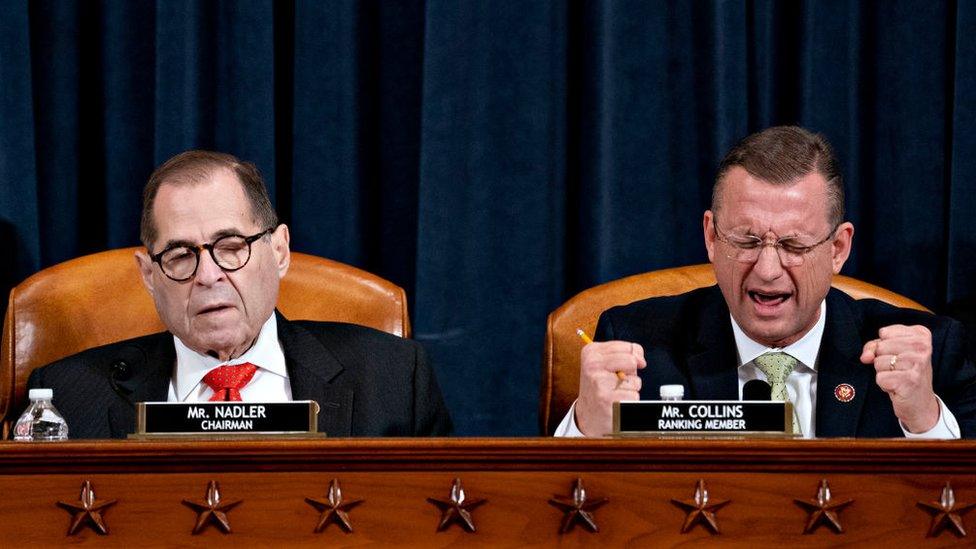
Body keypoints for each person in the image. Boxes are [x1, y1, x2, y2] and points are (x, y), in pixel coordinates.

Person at [557, 126, 976, 438]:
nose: (768, 269)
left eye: (794, 245)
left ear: (838, 248)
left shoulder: (933, 357)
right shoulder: (639, 346)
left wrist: (924, 422)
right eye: (746, 241)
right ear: (711, 237)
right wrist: (586, 428)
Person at [27, 150, 452, 438]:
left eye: (231, 247)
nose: (208, 275)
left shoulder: (394, 379)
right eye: (180, 255)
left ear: (279, 251)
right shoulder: (65, 399)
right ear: (149, 275)